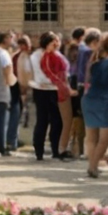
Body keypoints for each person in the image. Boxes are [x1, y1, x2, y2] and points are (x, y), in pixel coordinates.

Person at [81, 33, 108, 179]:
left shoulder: (95, 61)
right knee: (107, 136)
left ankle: (92, 166)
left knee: (91, 136)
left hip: (89, 98)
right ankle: (93, 166)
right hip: (104, 99)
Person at [29, 32, 69, 161]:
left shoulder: (57, 55)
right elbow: (39, 73)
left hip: (55, 89)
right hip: (42, 89)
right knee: (43, 120)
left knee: (57, 120)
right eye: (54, 42)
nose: (57, 44)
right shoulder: (37, 56)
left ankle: (55, 149)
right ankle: (39, 150)